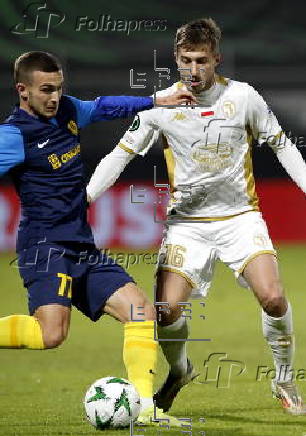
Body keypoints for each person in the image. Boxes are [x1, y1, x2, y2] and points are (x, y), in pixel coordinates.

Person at [87, 18, 306, 415]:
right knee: (166, 312)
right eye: (185, 60)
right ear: (176, 59)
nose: (193, 69)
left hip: (240, 217)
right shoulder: (162, 106)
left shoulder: (243, 98)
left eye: (201, 60)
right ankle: (181, 369)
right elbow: (121, 154)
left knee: (273, 298)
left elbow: (282, 145)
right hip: (187, 226)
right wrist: (85, 196)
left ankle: (284, 378)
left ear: (216, 59)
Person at [0, 51, 195, 427]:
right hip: (45, 248)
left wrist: (157, 100)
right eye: (45, 90)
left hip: (81, 246)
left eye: (58, 88)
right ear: (22, 90)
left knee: (139, 310)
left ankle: (145, 407)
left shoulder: (68, 111)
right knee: (50, 334)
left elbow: (105, 106)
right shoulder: (13, 136)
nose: (54, 97)